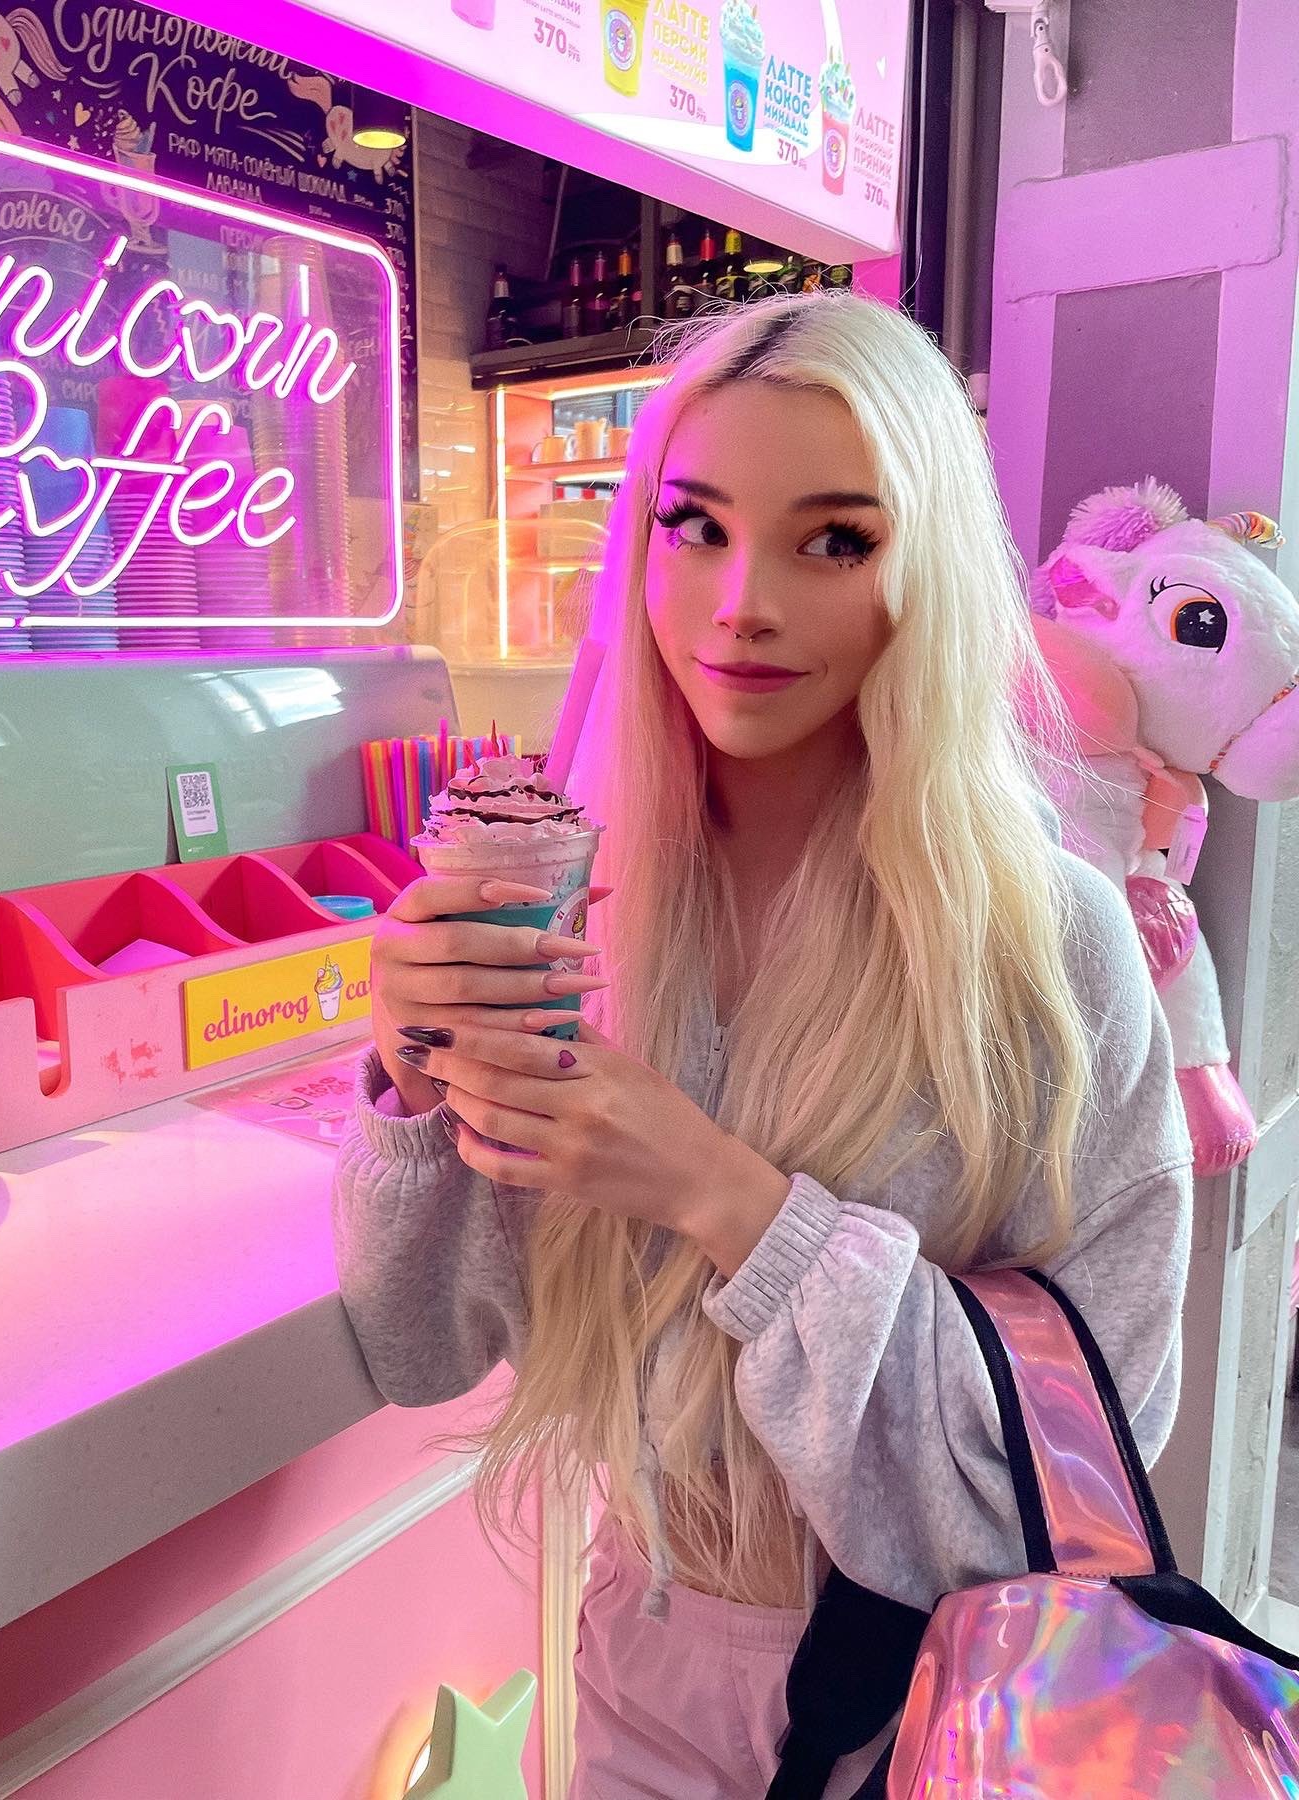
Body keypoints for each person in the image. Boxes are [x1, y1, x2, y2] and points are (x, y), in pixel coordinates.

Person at [332, 294, 1194, 1799]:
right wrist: (415, 1082)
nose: (740, 604)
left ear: (924, 571)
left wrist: (728, 1200)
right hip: (641, 1658)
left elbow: (1085, 1457)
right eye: (696, 526)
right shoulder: (581, 921)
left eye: (834, 540)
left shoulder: (1051, 946)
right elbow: (419, 1349)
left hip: (950, 1705)